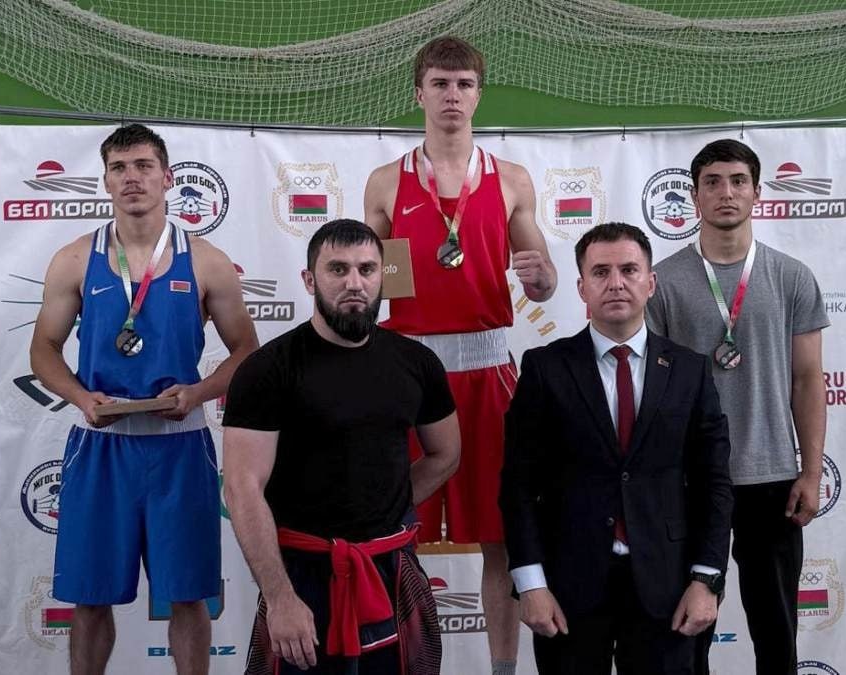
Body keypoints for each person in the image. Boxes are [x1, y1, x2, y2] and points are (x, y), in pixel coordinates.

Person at [30, 123, 259, 675]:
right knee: (90, 598)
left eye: (143, 166)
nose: (131, 178)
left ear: (168, 177)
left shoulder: (206, 261)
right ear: (105, 181)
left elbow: (247, 351)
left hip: (181, 448)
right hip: (100, 448)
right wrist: (81, 397)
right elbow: (43, 350)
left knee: (188, 595)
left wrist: (198, 392)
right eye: (119, 168)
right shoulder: (74, 259)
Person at [363, 36, 557, 675]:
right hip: (409, 374)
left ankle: (503, 669)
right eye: (441, 83)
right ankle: (402, 665)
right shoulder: (386, 182)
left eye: (464, 84)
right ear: (418, 93)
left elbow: (542, 281)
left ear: (478, 94)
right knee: (397, 534)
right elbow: (376, 283)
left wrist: (541, 277)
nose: (452, 95)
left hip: (488, 373)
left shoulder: (512, 180)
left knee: (502, 536)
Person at [221, 219, 461, 675]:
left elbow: (445, 454)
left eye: (366, 269)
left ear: (381, 277)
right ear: (309, 280)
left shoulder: (417, 363)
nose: (354, 283)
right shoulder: (267, 369)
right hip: (300, 575)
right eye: (338, 269)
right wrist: (279, 597)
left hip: (391, 569)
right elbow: (241, 487)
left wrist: (383, 506)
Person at [500, 222, 733, 674]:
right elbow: (518, 485)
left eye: (629, 270)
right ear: (581, 288)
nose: (616, 283)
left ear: (651, 282)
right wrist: (530, 583)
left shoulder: (690, 371)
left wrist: (707, 579)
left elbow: (714, 484)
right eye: (601, 272)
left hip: (669, 587)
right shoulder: (545, 369)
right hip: (567, 588)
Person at [646, 139, 829, 675]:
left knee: (776, 632)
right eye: (712, 182)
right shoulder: (662, 283)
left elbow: (807, 380)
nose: (726, 193)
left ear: (757, 192)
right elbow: (650, 389)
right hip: (688, 479)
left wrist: (811, 473)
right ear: (694, 197)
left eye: (737, 181)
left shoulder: (792, 276)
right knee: (685, 635)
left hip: (771, 477)